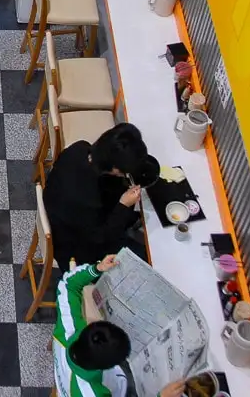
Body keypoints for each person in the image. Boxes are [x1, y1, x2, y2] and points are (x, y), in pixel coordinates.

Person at [53, 254, 185, 397]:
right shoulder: (91, 393)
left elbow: (68, 284)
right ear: (106, 367)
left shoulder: (67, 327)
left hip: (66, 378)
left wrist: (98, 268)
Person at [43, 123, 148, 270]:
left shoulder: (79, 148)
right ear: (115, 168)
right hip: (75, 247)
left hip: (66, 213)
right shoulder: (88, 200)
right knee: (145, 258)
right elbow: (101, 237)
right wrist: (123, 205)